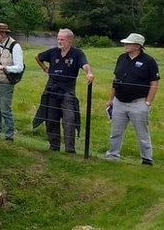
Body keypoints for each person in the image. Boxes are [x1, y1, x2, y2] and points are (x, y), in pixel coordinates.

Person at [34, 28, 94, 153]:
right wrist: (45, 68)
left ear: (70, 40)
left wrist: (89, 73)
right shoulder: (53, 52)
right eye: (58, 39)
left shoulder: (77, 53)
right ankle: (54, 147)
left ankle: (70, 150)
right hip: (51, 89)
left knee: (69, 119)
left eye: (62, 39)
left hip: (67, 90)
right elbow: (38, 57)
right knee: (51, 119)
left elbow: (85, 65)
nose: (59, 41)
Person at [106, 33, 158, 165]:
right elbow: (116, 80)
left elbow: (154, 84)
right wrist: (111, 99)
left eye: (129, 43)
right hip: (119, 101)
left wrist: (147, 102)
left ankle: (147, 159)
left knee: (142, 134)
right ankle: (112, 156)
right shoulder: (121, 58)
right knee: (115, 132)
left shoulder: (149, 61)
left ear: (137, 46)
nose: (125, 45)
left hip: (138, 102)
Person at [0, 23, 24, 140]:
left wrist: (6, 68)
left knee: (5, 111)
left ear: (3, 33)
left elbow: (19, 67)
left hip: (5, 83)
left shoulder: (15, 46)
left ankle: (9, 136)